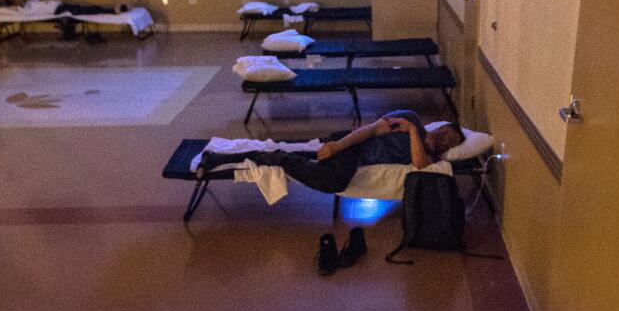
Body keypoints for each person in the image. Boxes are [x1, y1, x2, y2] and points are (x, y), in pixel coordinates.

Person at [197, 110, 467, 195]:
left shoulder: (426, 153)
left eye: (450, 142)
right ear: (439, 126)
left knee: (306, 161)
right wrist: (337, 146)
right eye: (445, 132)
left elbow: (419, 164)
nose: (444, 139)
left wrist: (411, 133)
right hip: (348, 147)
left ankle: (220, 158)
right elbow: (371, 130)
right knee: (333, 181)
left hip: (351, 158)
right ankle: (278, 158)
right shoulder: (410, 117)